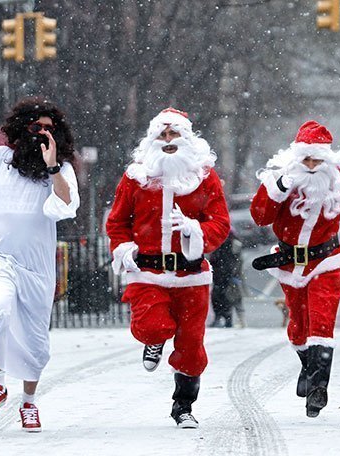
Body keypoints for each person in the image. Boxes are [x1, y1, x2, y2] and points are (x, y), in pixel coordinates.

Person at [0, 97, 80, 432]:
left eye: (49, 129)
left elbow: (65, 207)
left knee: (35, 338)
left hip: (36, 266)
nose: (41, 133)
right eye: (35, 126)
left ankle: (29, 402)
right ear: (21, 128)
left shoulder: (61, 170)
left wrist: (52, 167)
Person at [106, 107, 230, 428]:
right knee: (151, 326)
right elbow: (118, 222)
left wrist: (194, 229)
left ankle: (183, 406)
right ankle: (154, 340)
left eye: (174, 134)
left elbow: (220, 222)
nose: (168, 140)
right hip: (148, 273)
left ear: (188, 139)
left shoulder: (204, 177)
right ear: (152, 140)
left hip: (192, 276)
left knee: (191, 345)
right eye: (162, 135)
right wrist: (122, 247)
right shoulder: (136, 176)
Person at [250, 120, 340, 417]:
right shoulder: (280, 179)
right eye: (306, 159)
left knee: (322, 321)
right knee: (298, 326)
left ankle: (319, 386)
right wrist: (279, 189)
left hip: (326, 260)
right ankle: (308, 367)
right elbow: (259, 216)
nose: (311, 165)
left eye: (317, 159)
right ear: (296, 158)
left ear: (327, 159)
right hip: (289, 261)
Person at [209, 229, 245, 328]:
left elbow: (237, 260)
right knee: (221, 297)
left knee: (225, 297)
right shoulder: (226, 241)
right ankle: (223, 318)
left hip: (225, 274)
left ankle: (225, 319)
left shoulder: (230, 242)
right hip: (220, 274)